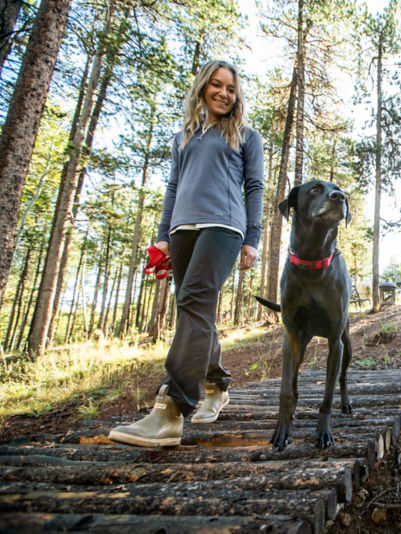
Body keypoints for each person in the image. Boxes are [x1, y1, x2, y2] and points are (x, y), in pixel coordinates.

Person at [109, 60, 264, 447]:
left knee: (194, 299)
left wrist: (253, 238)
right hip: (182, 229)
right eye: (217, 85)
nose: (224, 93)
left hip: (225, 227)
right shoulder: (183, 137)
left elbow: (255, 187)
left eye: (231, 88)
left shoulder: (246, 135)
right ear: (202, 88)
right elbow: (173, 188)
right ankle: (217, 383)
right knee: (194, 308)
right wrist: (163, 236)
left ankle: (172, 410)